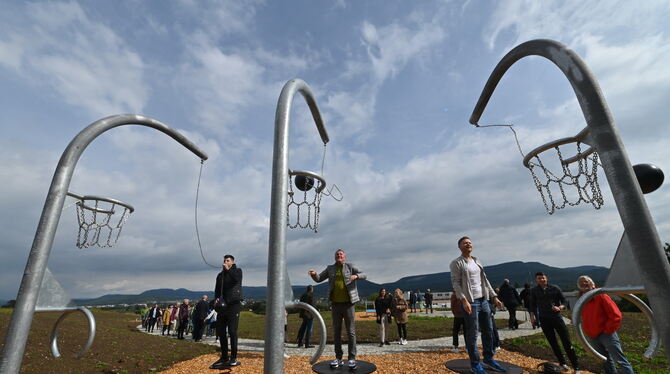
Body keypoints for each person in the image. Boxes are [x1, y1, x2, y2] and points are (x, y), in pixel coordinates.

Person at [450, 236, 507, 374]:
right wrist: (464, 301)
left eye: (470, 242)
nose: (468, 244)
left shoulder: (477, 261)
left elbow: (485, 281)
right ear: (459, 246)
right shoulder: (456, 263)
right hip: (471, 302)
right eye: (465, 243)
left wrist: (494, 297)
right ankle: (475, 364)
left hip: (484, 300)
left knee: (488, 330)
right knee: (473, 333)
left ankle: (488, 358)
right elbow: (456, 283)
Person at [309, 249, 366, 369]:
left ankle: (351, 358)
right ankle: (338, 358)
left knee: (351, 332)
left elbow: (364, 275)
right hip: (335, 304)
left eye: (341, 254)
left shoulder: (350, 266)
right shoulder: (330, 268)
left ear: (344, 257)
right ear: (335, 257)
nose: (339, 256)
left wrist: (356, 276)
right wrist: (314, 275)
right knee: (336, 332)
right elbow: (319, 278)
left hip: (349, 304)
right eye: (337, 255)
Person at [578, 275, 634, 374]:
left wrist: (607, 331)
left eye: (586, 281)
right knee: (604, 361)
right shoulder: (582, 298)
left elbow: (616, 315)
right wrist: (587, 330)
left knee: (620, 360)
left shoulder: (601, 295)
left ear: (592, 284)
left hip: (606, 334)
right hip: (593, 335)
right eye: (581, 282)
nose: (584, 283)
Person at [530, 272, 580, 373]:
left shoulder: (555, 288)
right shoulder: (534, 290)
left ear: (546, 278)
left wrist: (560, 307)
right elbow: (532, 305)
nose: (541, 280)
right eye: (539, 278)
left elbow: (564, 301)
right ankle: (563, 363)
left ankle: (576, 367)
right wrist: (532, 317)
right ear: (536, 280)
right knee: (553, 343)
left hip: (556, 318)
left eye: (543, 278)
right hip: (544, 319)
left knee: (566, 342)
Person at [210, 254, 243, 369]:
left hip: (234, 305)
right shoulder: (220, 275)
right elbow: (217, 290)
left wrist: (228, 270)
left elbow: (236, 280)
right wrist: (216, 300)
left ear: (232, 262)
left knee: (232, 331)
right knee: (221, 331)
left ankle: (233, 357)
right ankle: (224, 356)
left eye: (227, 260)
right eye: (224, 260)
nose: (225, 261)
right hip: (222, 306)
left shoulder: (237, 271)